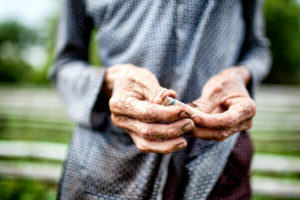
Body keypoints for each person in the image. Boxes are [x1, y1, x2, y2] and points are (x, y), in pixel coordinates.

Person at [50, 0, 271, 199]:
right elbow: (65, 65)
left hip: (217, 159)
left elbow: (258, 49)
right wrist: (112, 80)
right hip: (109, 164)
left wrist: (240, 76)